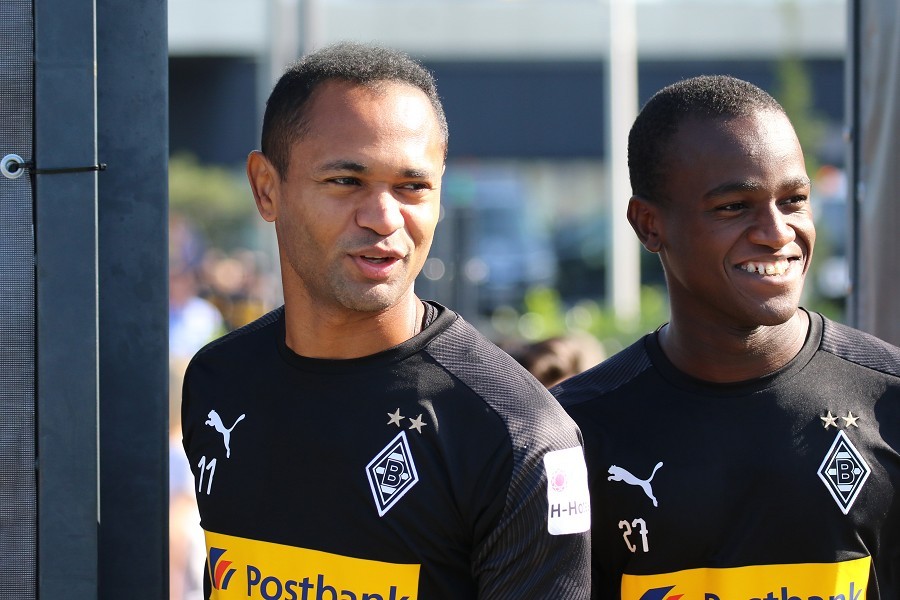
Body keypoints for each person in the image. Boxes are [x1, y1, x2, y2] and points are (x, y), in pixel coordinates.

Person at [181, 42, 591, 599]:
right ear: (266, 188)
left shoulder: (518, 435)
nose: (383, 218)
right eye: (346, 181)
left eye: (412, 187)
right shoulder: (219, 380)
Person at [553, 75, 900, 599]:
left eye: (794, 200)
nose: (777, 232)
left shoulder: (890, 401)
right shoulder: (574, 429)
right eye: (734, 206)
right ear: (649, 225)